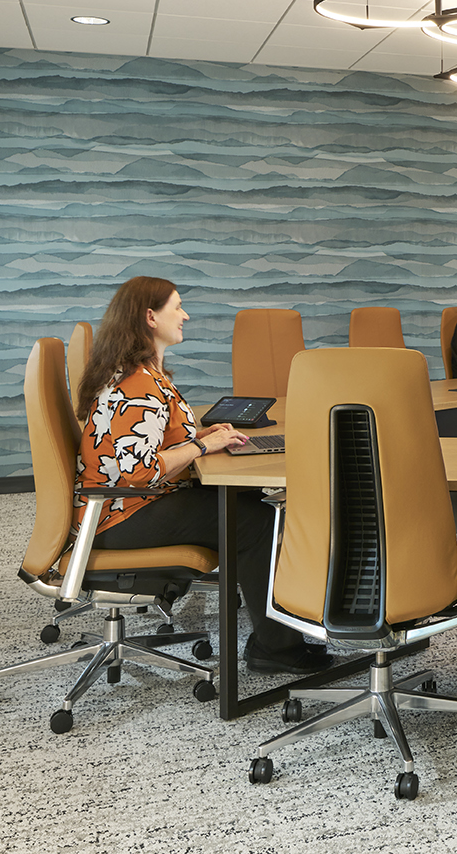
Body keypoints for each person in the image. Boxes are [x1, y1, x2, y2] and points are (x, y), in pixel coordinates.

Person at [75, 276, 333, 675]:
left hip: (126, 504)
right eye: (177, 307)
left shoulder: (142, 373)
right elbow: (139, 470)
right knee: (257, 522)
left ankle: (282, 630)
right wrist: (199, 447)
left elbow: (150, 439)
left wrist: (200, 436)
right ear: (150, 317)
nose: (185, 315)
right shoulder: (137, 384)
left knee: (250, 503)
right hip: (121, 515)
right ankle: (275, 648)